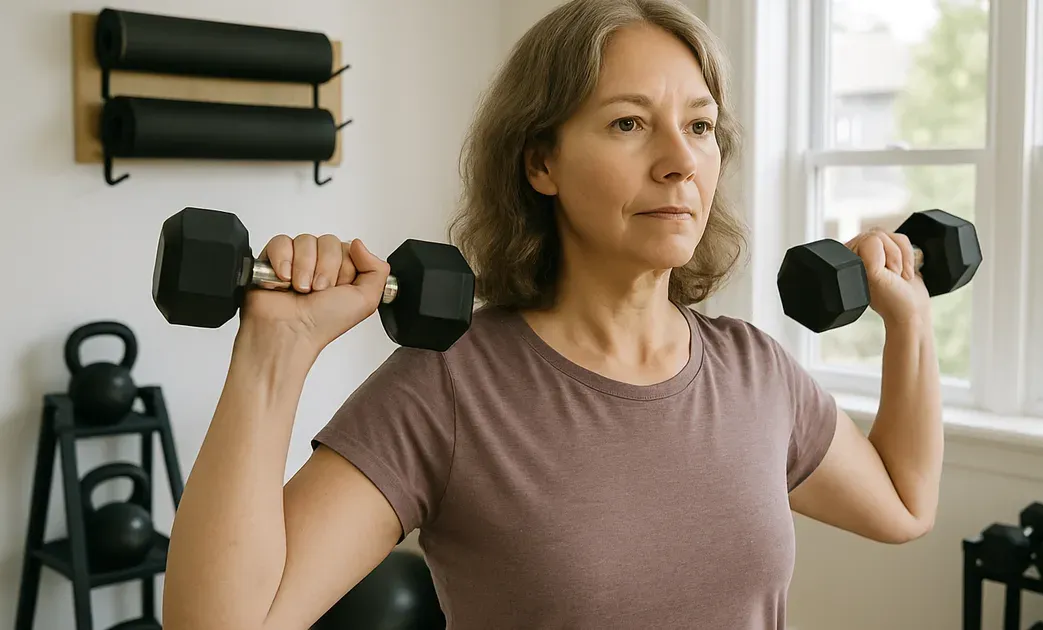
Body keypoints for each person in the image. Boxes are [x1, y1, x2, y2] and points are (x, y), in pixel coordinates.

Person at [161, 0, 945, 628]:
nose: (680, 160)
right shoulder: (452, 387)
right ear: (542, 161)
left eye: (700, 126)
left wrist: (909, 323)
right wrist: (276, 350)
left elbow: (904, 505)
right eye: (629, 123)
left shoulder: (755, 371)